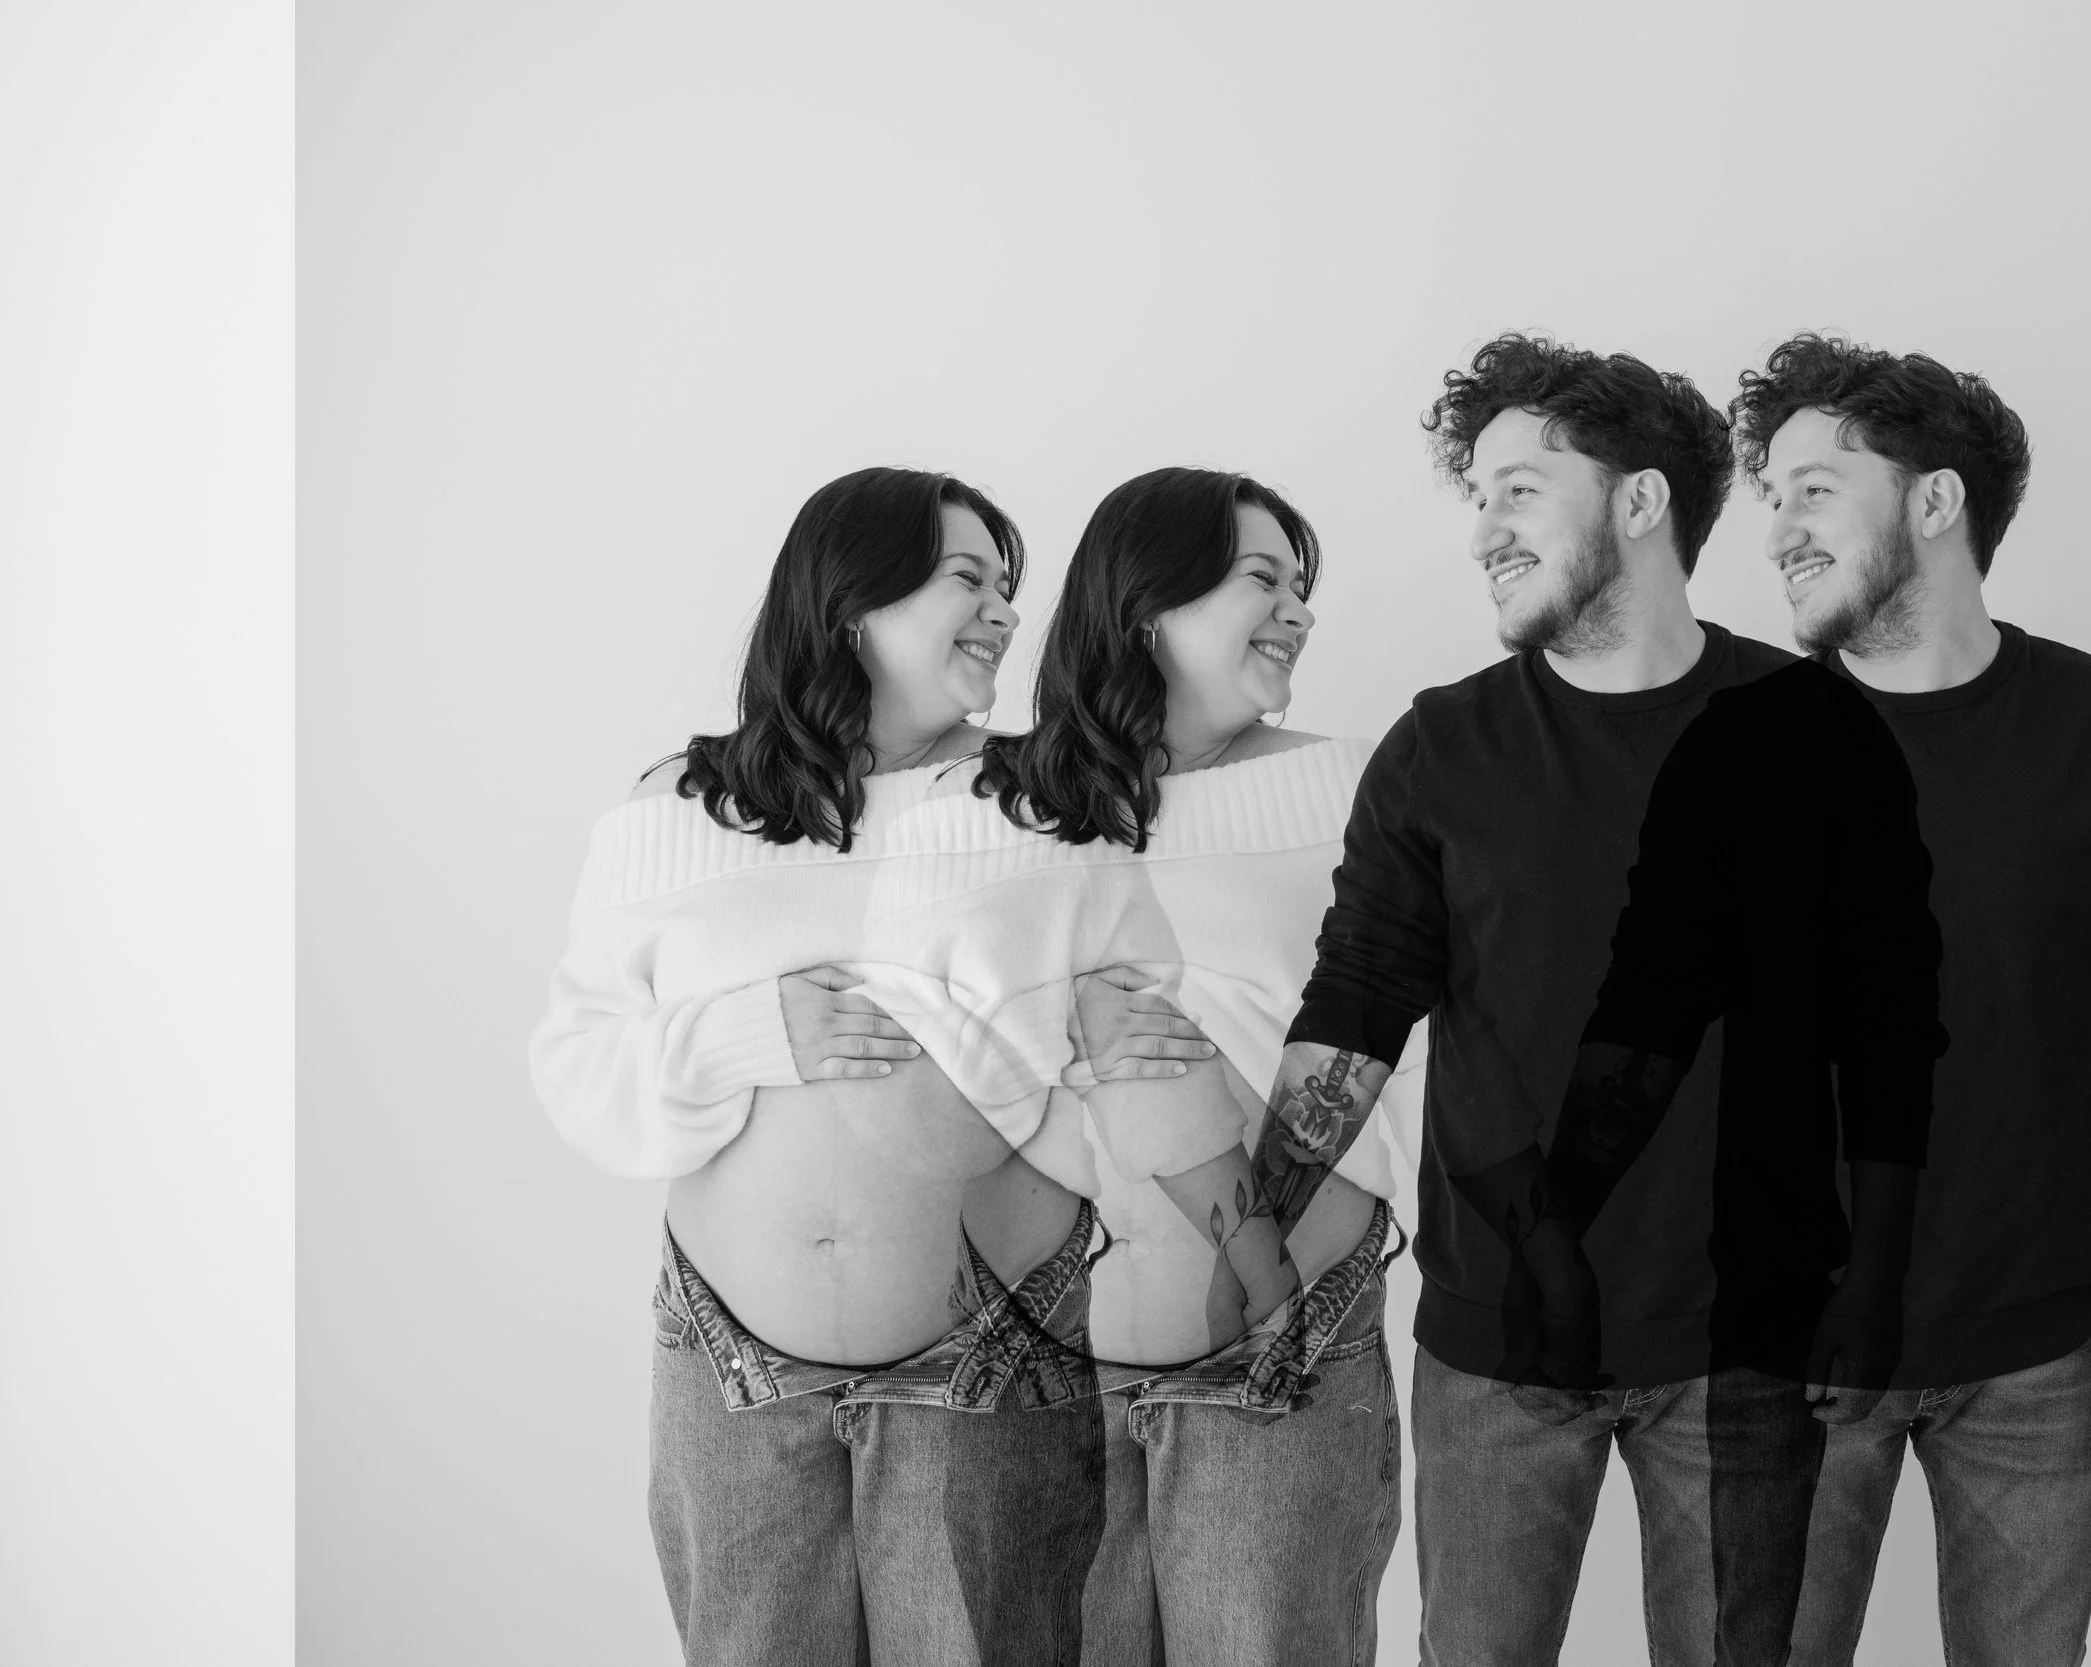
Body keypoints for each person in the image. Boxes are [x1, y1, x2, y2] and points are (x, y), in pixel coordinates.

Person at [1235, 333, 1934, 1664]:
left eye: (1519, 489)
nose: (1485, 529)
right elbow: (1357, 1004)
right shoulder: (1445, 744)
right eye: (1477, 497)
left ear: (1639, 501)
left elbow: (1891, 1030)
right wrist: (1249, 1242)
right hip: (1500, 1344)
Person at [526, 467, 1189, 1666]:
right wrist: (746, 1032)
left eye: (1010, 588)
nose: (1002, 611)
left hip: (987, 1354)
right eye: (968, 579)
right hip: (733, 1369)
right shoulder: (673, 810)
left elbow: (1141, 1065)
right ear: (852, 606)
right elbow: (578, 1065)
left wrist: (1027, 1047)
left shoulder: (1046, 807)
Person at [1726, 333, 2091, 1666]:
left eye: (1815, 487)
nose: (1778, 525)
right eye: (1769, 493)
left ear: (1936, 500)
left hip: (2045, 1342)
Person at [973, 466, 1422, 1666]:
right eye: (1262, 578)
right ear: (1146, 608)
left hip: (1278, 1344)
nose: (1299, 612)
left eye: (1302, 586)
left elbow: (1428, 1039)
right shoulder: (1004, 807)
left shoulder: (1354, 784)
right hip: (1045, 1357)